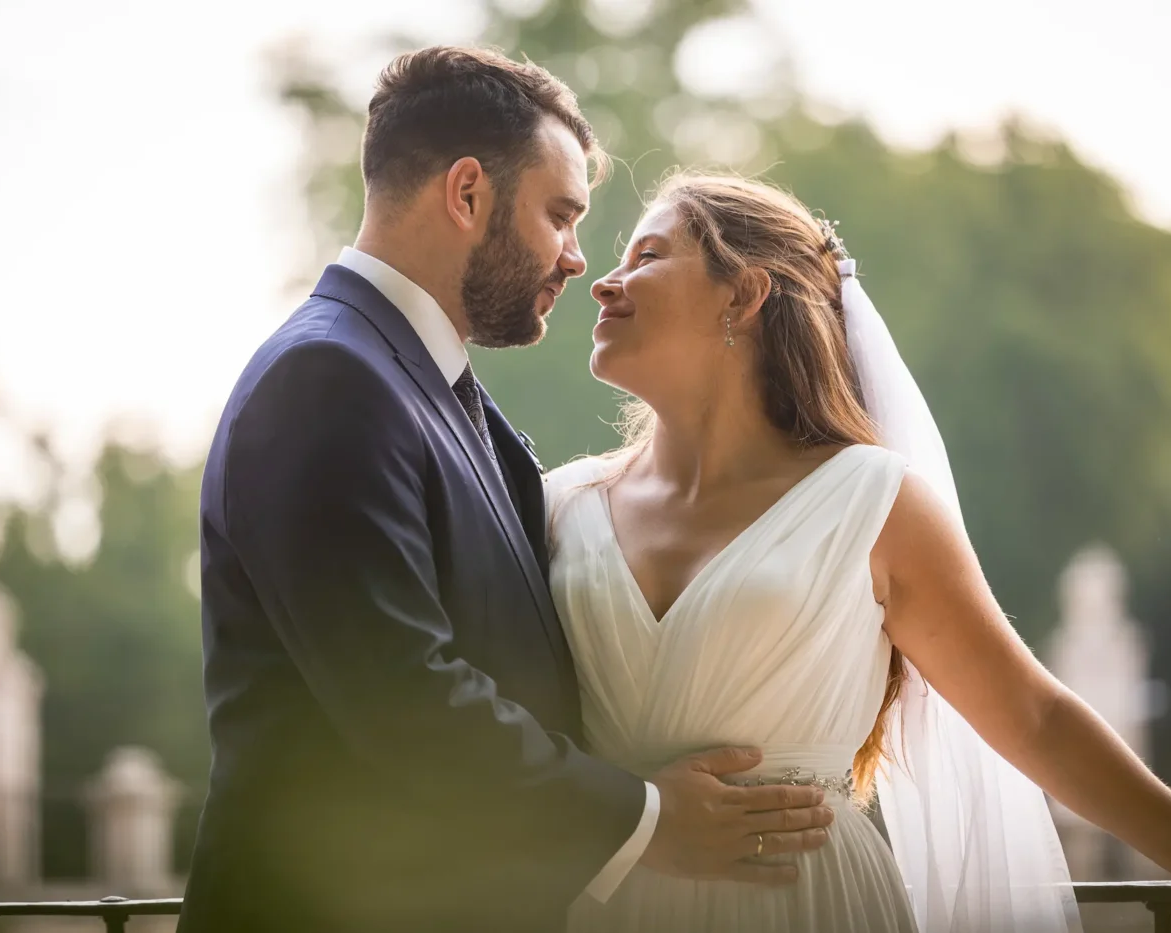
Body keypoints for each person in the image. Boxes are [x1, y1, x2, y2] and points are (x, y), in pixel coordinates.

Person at [178, 49, 833, 933]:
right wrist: (644, 819)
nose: (575, 260)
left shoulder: (433, 390)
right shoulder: (328, 377)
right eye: (561, 216)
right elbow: (407, 698)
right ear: (468, 193)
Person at [547, 173, 1171, 932]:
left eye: (646, 255)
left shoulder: (873, 502)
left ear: (742, 296)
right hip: (607, 892)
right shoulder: (558, 505)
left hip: (804, 904)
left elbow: (1034, 716)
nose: (603, 283)